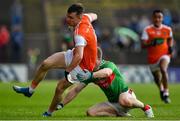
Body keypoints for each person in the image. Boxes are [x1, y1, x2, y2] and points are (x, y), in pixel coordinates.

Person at [13, 3, 98, 100]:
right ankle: (30, 90)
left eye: (71, 18)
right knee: (45, 64)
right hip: (75, 55)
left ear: (79, 17)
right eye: (67, 16)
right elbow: (95, 15)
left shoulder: (80, 33)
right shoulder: (85, 17)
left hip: (84, 66)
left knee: (59, 88)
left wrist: (68, 71)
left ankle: (49, 113)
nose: (68, 19)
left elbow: (79, 56)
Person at [43, 47, 154, 118]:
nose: (87, 61)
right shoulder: (90, 72)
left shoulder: (108, 65)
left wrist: (90, 76)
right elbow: (76, 89)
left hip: (126, 95)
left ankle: (145, 107)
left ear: (98, 59)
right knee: (90, 113)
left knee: (123, 100)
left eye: (91, 59)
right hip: (113, 102)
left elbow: (107, 73)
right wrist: (62, 104)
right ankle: (120, 114)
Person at [141, 10, 174, 103]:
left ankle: (166, 92)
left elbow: (170, 39)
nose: (157, 19)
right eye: (155, 17)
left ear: (162, 18)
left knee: (163, 69)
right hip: (152, 58)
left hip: (165, 55)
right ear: (153, 18)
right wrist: (151, 43)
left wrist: (170, 46)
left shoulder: (167, 29)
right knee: (157, 78)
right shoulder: (147, 30)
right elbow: (143, 45)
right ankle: (161, 89)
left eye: (159, 17)